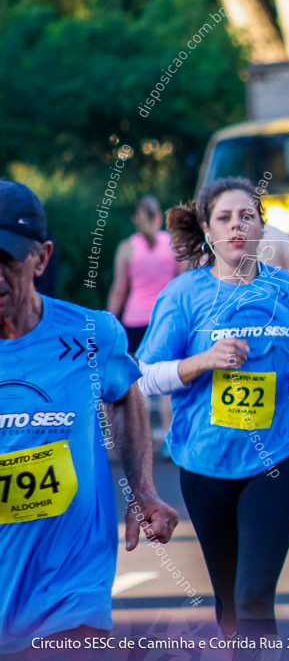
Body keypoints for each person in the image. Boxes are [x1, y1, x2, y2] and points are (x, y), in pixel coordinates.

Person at [135, 177, 289, 648]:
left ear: (261, 228)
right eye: (225, 217)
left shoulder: (288, 290)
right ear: (208, 230)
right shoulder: (183, 295)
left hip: (276, 458)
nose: (237, 225)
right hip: (206, 462)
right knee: (230, 601)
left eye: (247, 216)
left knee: (255, 594)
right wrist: (203, 361)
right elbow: (146, 376)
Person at [0, 180, 177, 653]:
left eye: (7, 260)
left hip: (72, 582)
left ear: (40, 257)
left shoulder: (91, 333)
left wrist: (143, 491)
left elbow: (123, 395)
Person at [107, 196, 184, 456]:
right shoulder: (174, 244)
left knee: (139, 385)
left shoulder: (127, 248)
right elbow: (185, 284)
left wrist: (106, 324)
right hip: (166, 320)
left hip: (135, 323)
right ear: (159, 217)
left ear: (135, 219)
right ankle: (171, 443)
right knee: (167, 383)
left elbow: (119, 291)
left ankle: (142, 444)